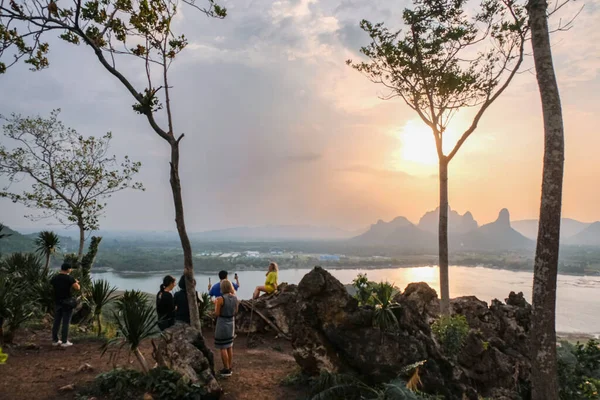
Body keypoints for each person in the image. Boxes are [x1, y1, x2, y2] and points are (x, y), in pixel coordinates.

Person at [50, 262, 80, 347]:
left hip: (57, 301)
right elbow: (77, 288)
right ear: (68, 269)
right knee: (65, 322)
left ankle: (55, 340)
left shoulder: (55, 278)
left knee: (56, 321)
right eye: (70, 269)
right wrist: (76, 282)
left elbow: (52, 286)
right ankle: (64, 341)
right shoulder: (69, 278)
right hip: (67, 302)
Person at [214, 279, 238, 377]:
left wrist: (215, 304)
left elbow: (217, 313)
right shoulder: (235, 298)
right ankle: (229, 366)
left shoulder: (220, 299)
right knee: (229, 345)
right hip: (231, 322)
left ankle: (226, 369)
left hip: (222, 323)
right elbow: (235, 311)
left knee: (223, 346)